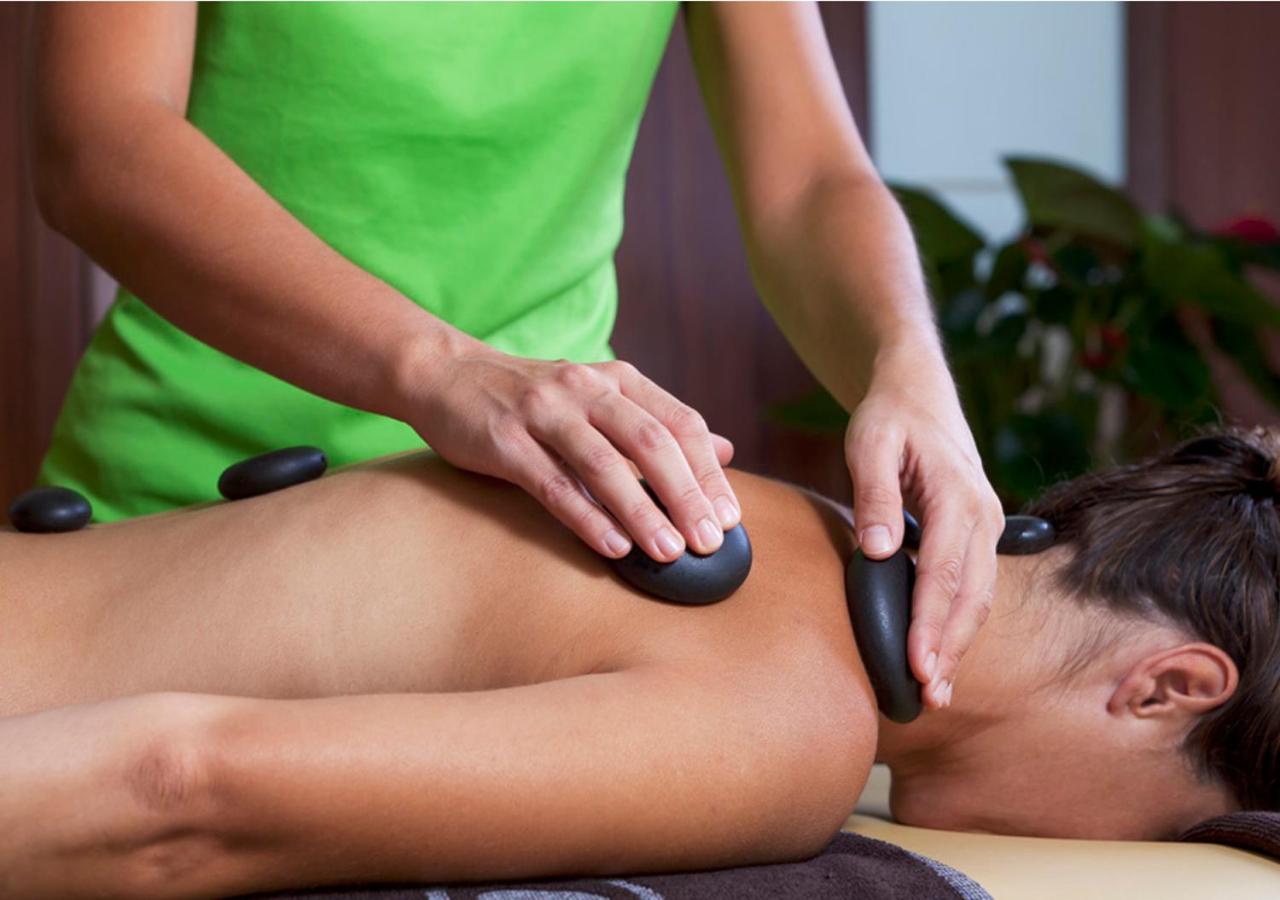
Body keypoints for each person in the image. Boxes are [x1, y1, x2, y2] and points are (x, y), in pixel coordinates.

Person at [28, 3, 1004, 712]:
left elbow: (807, 181)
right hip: (176, 521)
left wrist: (903, 364)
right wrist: (438, 371)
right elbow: (98, 140)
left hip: (536, 543)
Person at [2, 427, 1275, 896]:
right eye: (1164, 827)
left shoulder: (753, 504)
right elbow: (178, 793)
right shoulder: (787, 728)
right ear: (1163, 688)